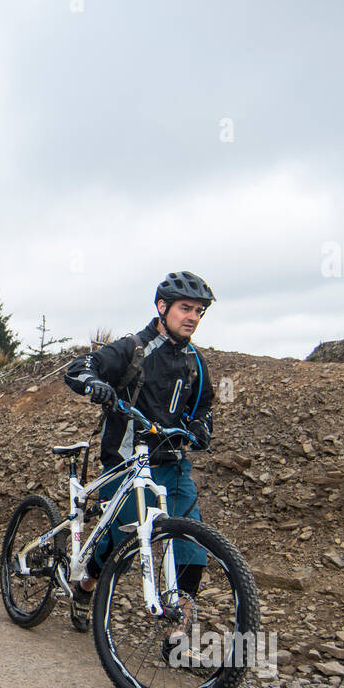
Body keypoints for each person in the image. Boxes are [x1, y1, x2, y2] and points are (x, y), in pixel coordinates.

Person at [63, 271, 216, 651]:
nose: (193, 317)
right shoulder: (134, 348)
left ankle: (176, 638)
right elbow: (82, 367)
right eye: (185, 308)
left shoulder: (195, 361)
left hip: (173, 463)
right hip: (127, 463)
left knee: (192, 544)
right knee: (124, 540)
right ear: (162, 307)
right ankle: (86, 587)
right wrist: (92, 382)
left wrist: (200, 428)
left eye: (199, 311)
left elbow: (205, 407)